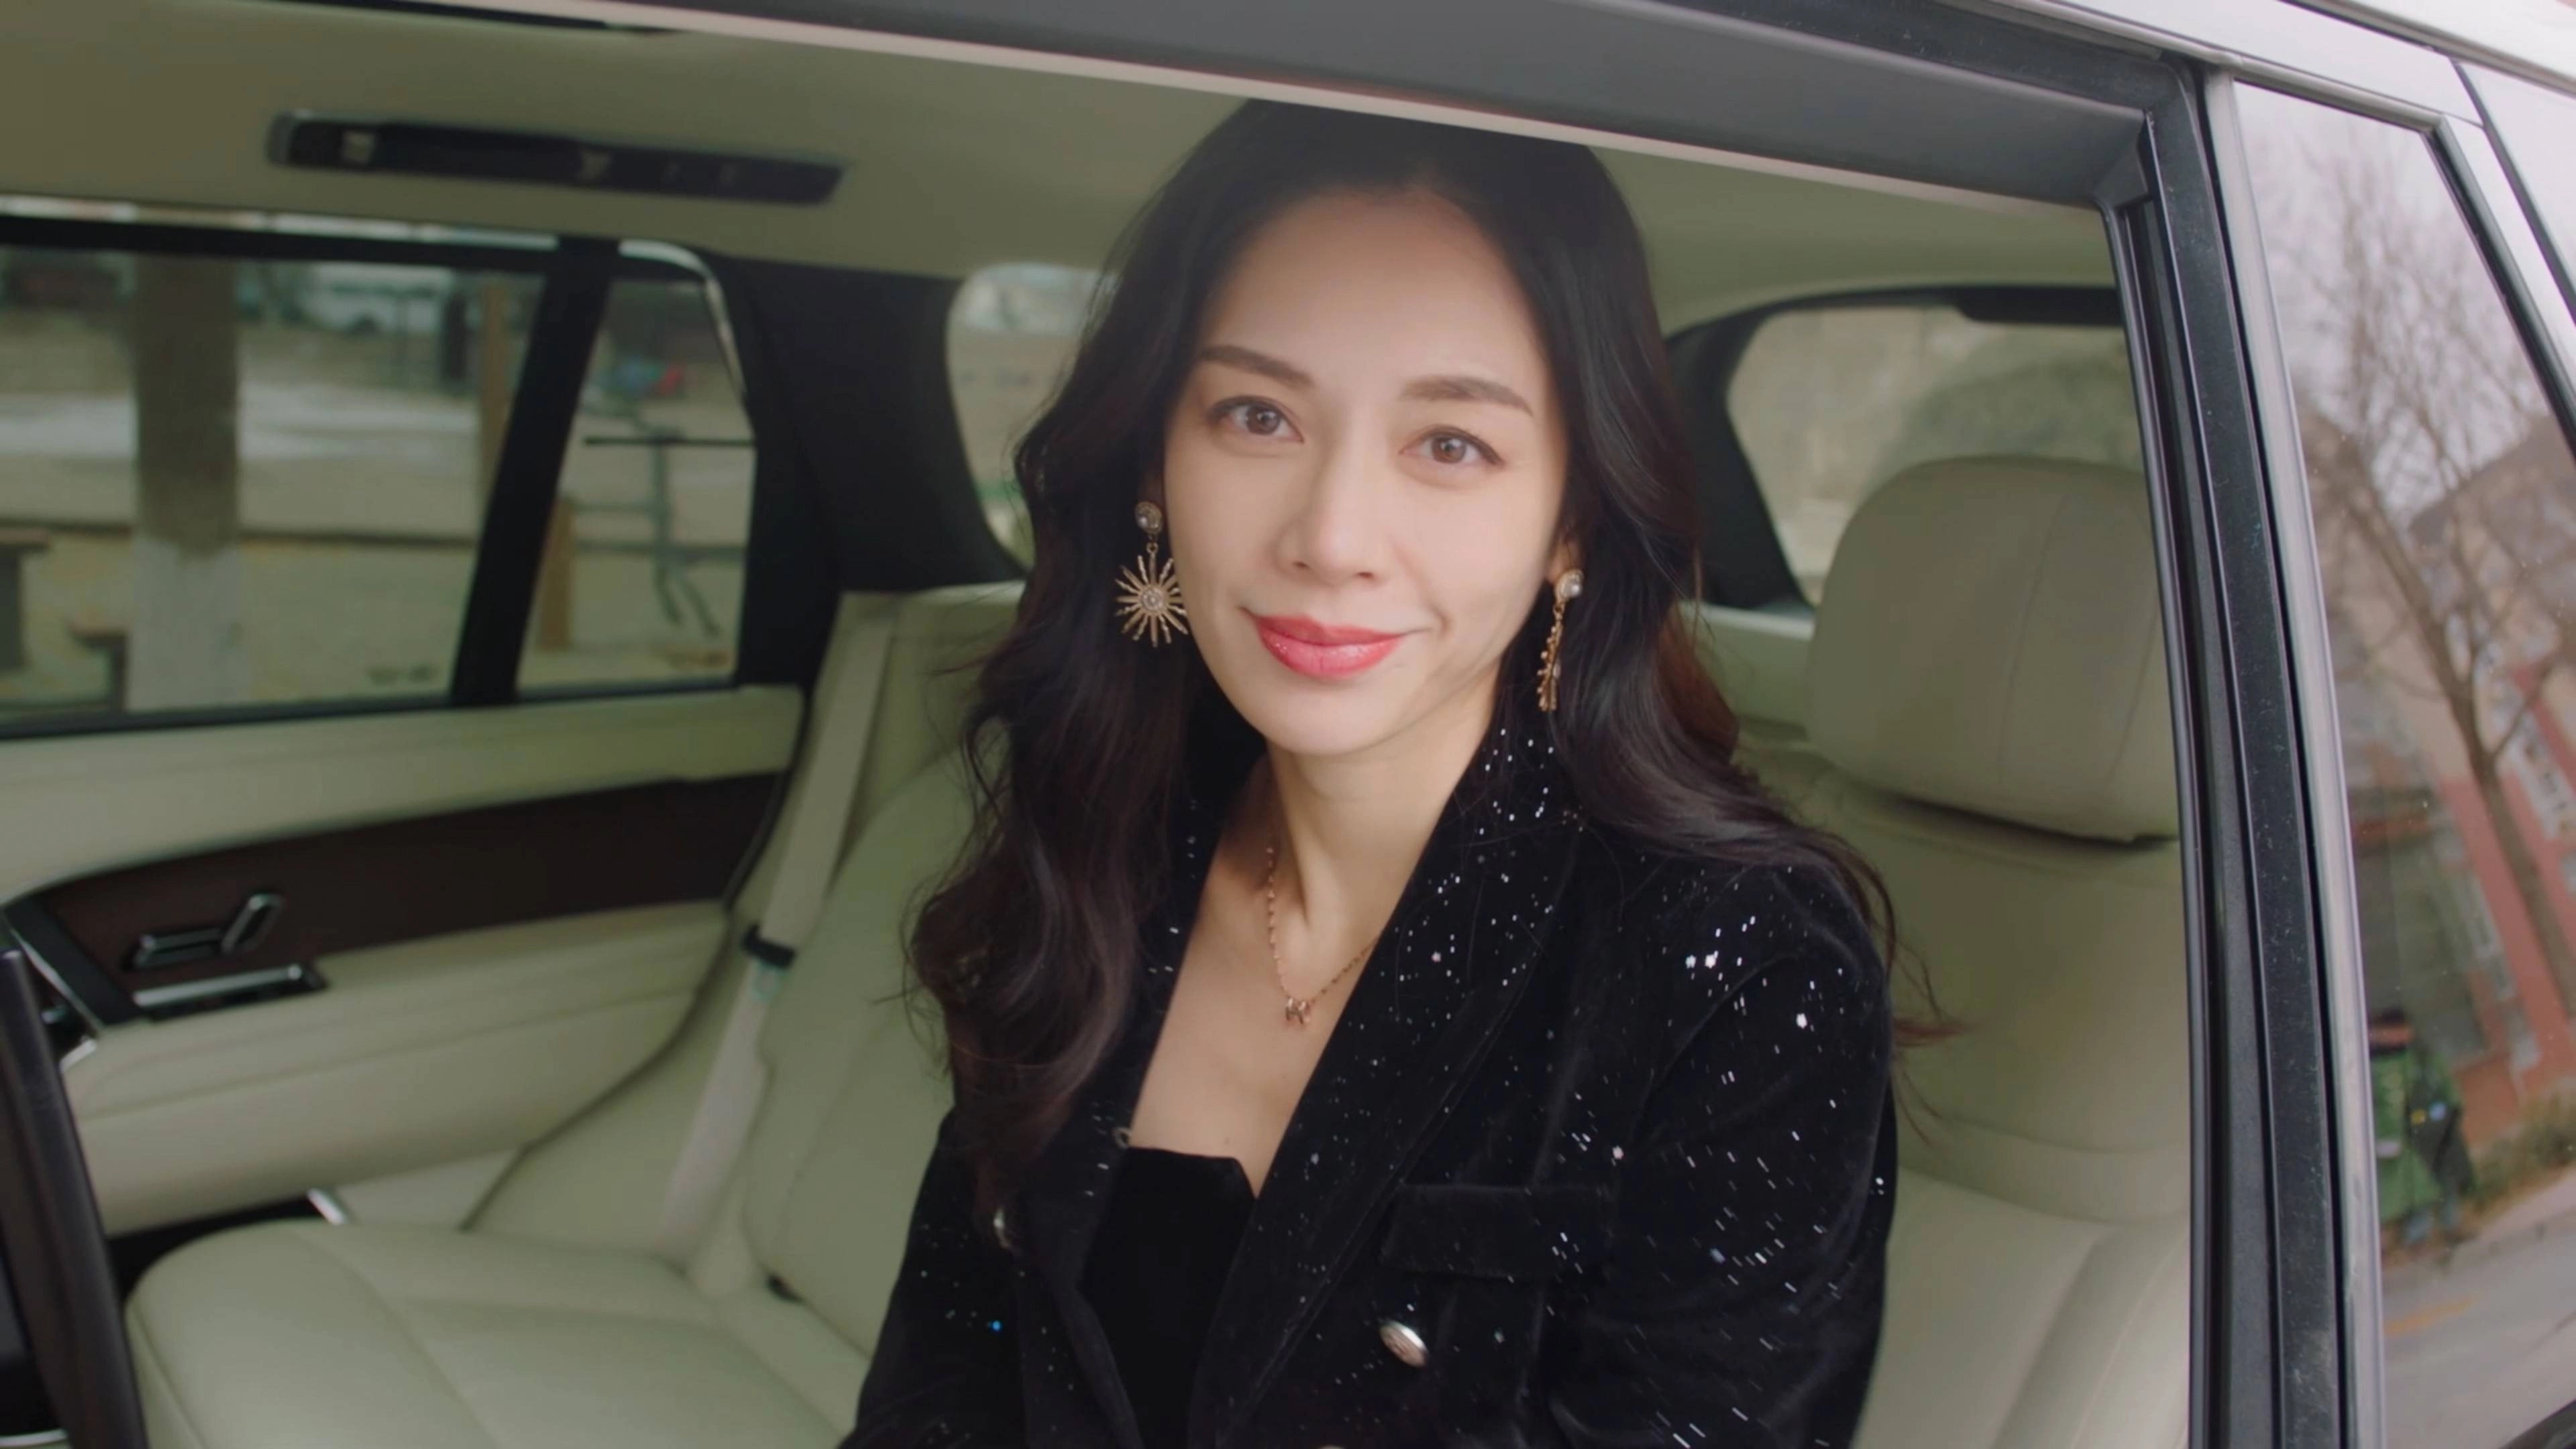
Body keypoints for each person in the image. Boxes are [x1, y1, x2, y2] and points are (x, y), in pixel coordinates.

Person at [850, 101, 1902, 1448]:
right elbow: (937, 1391)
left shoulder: (1740, 972)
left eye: (1450, 444)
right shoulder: (1101, 833)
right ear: (1157, 467)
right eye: (1257, 416)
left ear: (1573, 522)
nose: (1333, 535)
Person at [2369, 1005, 2474, 1250]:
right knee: (2413, 1189)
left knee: (2445, 1180)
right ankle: (2417, 1238)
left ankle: (2450, 1226)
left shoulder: (2423, 1056)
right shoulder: (2373, 1066)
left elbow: (2445, 1086)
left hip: (2434, 1130)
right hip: (2401, 1139)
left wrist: (2449, 1112)